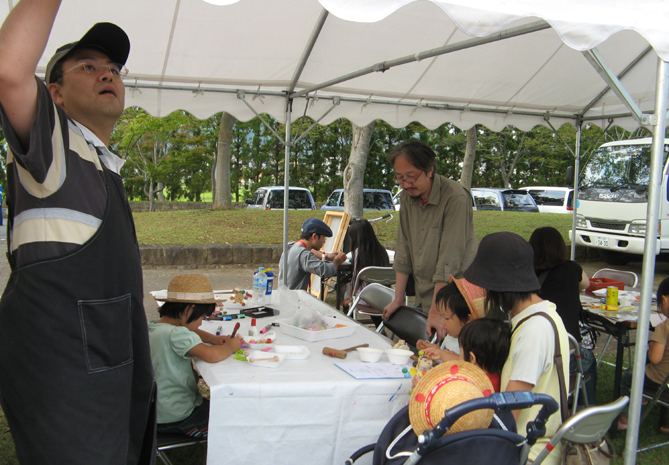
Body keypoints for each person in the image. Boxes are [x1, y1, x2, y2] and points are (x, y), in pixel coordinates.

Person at [0, 3, 155, 463]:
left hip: (111, 369)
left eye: (114, 69)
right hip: (63, 382)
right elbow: (8, 71)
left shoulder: (102, 164)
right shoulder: (52, 143)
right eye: (88, 67)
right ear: (55, 94)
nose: (107, 74)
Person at [464, 232, 570, 465]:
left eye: (486, 288)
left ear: (499, 287)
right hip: (520, 441)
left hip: (529, 450)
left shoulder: (534, 331)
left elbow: (509, 412)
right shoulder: (539, 314)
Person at [382, 140, 478, 339]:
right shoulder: (407, 196)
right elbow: (404, 247)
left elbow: (449, 261)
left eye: (412, 177)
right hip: (422, 294)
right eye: (400, 178)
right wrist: (398, 298)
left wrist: (436, 311)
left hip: (453, 304)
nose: (406, 184)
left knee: (442, 356)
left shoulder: (456, 198)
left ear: (430, 170)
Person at [151, 274, 241, 438]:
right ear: (188, 310)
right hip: (178, 415)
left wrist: (213, 338)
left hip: (154, 412)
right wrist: (231, 346)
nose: (201, 322)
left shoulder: (155, 327)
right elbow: (211, 355)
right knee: (230, 415)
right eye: (202, 317)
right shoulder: (176, 335)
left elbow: (190, 330)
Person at [529, 226, 597, 406]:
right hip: (567, 353)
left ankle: (566, 395)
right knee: (588, 359)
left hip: (536, 352)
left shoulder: (527, 273)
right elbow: (586, 284)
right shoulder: (572, 268)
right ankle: (585, 408)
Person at [617, 277, 669, 432]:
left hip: (661, 382)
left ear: (664, 300)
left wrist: (652, 346)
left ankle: (625, 419)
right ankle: (663, 421)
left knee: (628, 378)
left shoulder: (664, 327)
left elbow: (655, 359)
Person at [416, 276, 486, 363]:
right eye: (441, 315)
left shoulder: (473, 345)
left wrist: (441, 354)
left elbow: (468, 364)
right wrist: (434, 349)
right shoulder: (451, 335)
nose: (442, 322)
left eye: (447, 318)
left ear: (468, 320)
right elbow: (442, 358)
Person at [279, 218, 347, 290]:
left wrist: (326, 256)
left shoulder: (291, 245)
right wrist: (337, 261)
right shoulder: (304, 255)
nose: (324, 242)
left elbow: (310, 251)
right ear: (314, 236)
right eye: (323, 238)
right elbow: (326, 271)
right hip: (293, 296)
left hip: (283, 294)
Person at [344, 218, 390, 325]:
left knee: (347, 303)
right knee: (370, 298)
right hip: (383, 298)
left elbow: (355, 280)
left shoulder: (358, 252)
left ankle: (348, 325)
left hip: (365, 299)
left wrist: (350, 298)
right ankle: (380, 328)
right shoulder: (382, 251)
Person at [458, 318, 512, 393]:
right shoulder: (497, 379)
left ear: (472, 358)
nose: (458, 359)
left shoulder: (471, 388)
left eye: (460, 352)